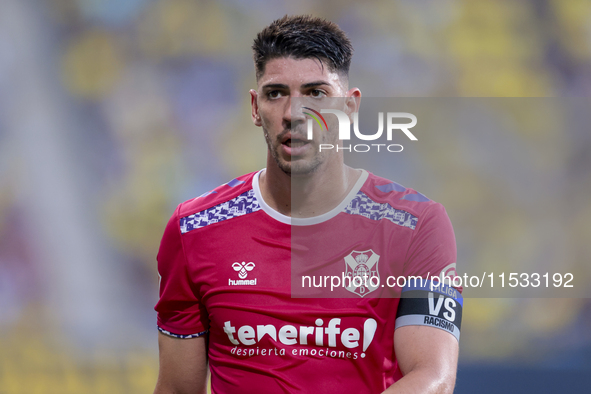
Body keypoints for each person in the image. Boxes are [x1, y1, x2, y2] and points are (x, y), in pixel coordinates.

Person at [153, 15, 461, 394]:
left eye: (316, 93)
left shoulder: (416, 224)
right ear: (254, 107)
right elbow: (177, 390)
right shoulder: (193, 229)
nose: (294, 114)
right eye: (276, 93)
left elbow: (434, 377)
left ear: (349, 109)